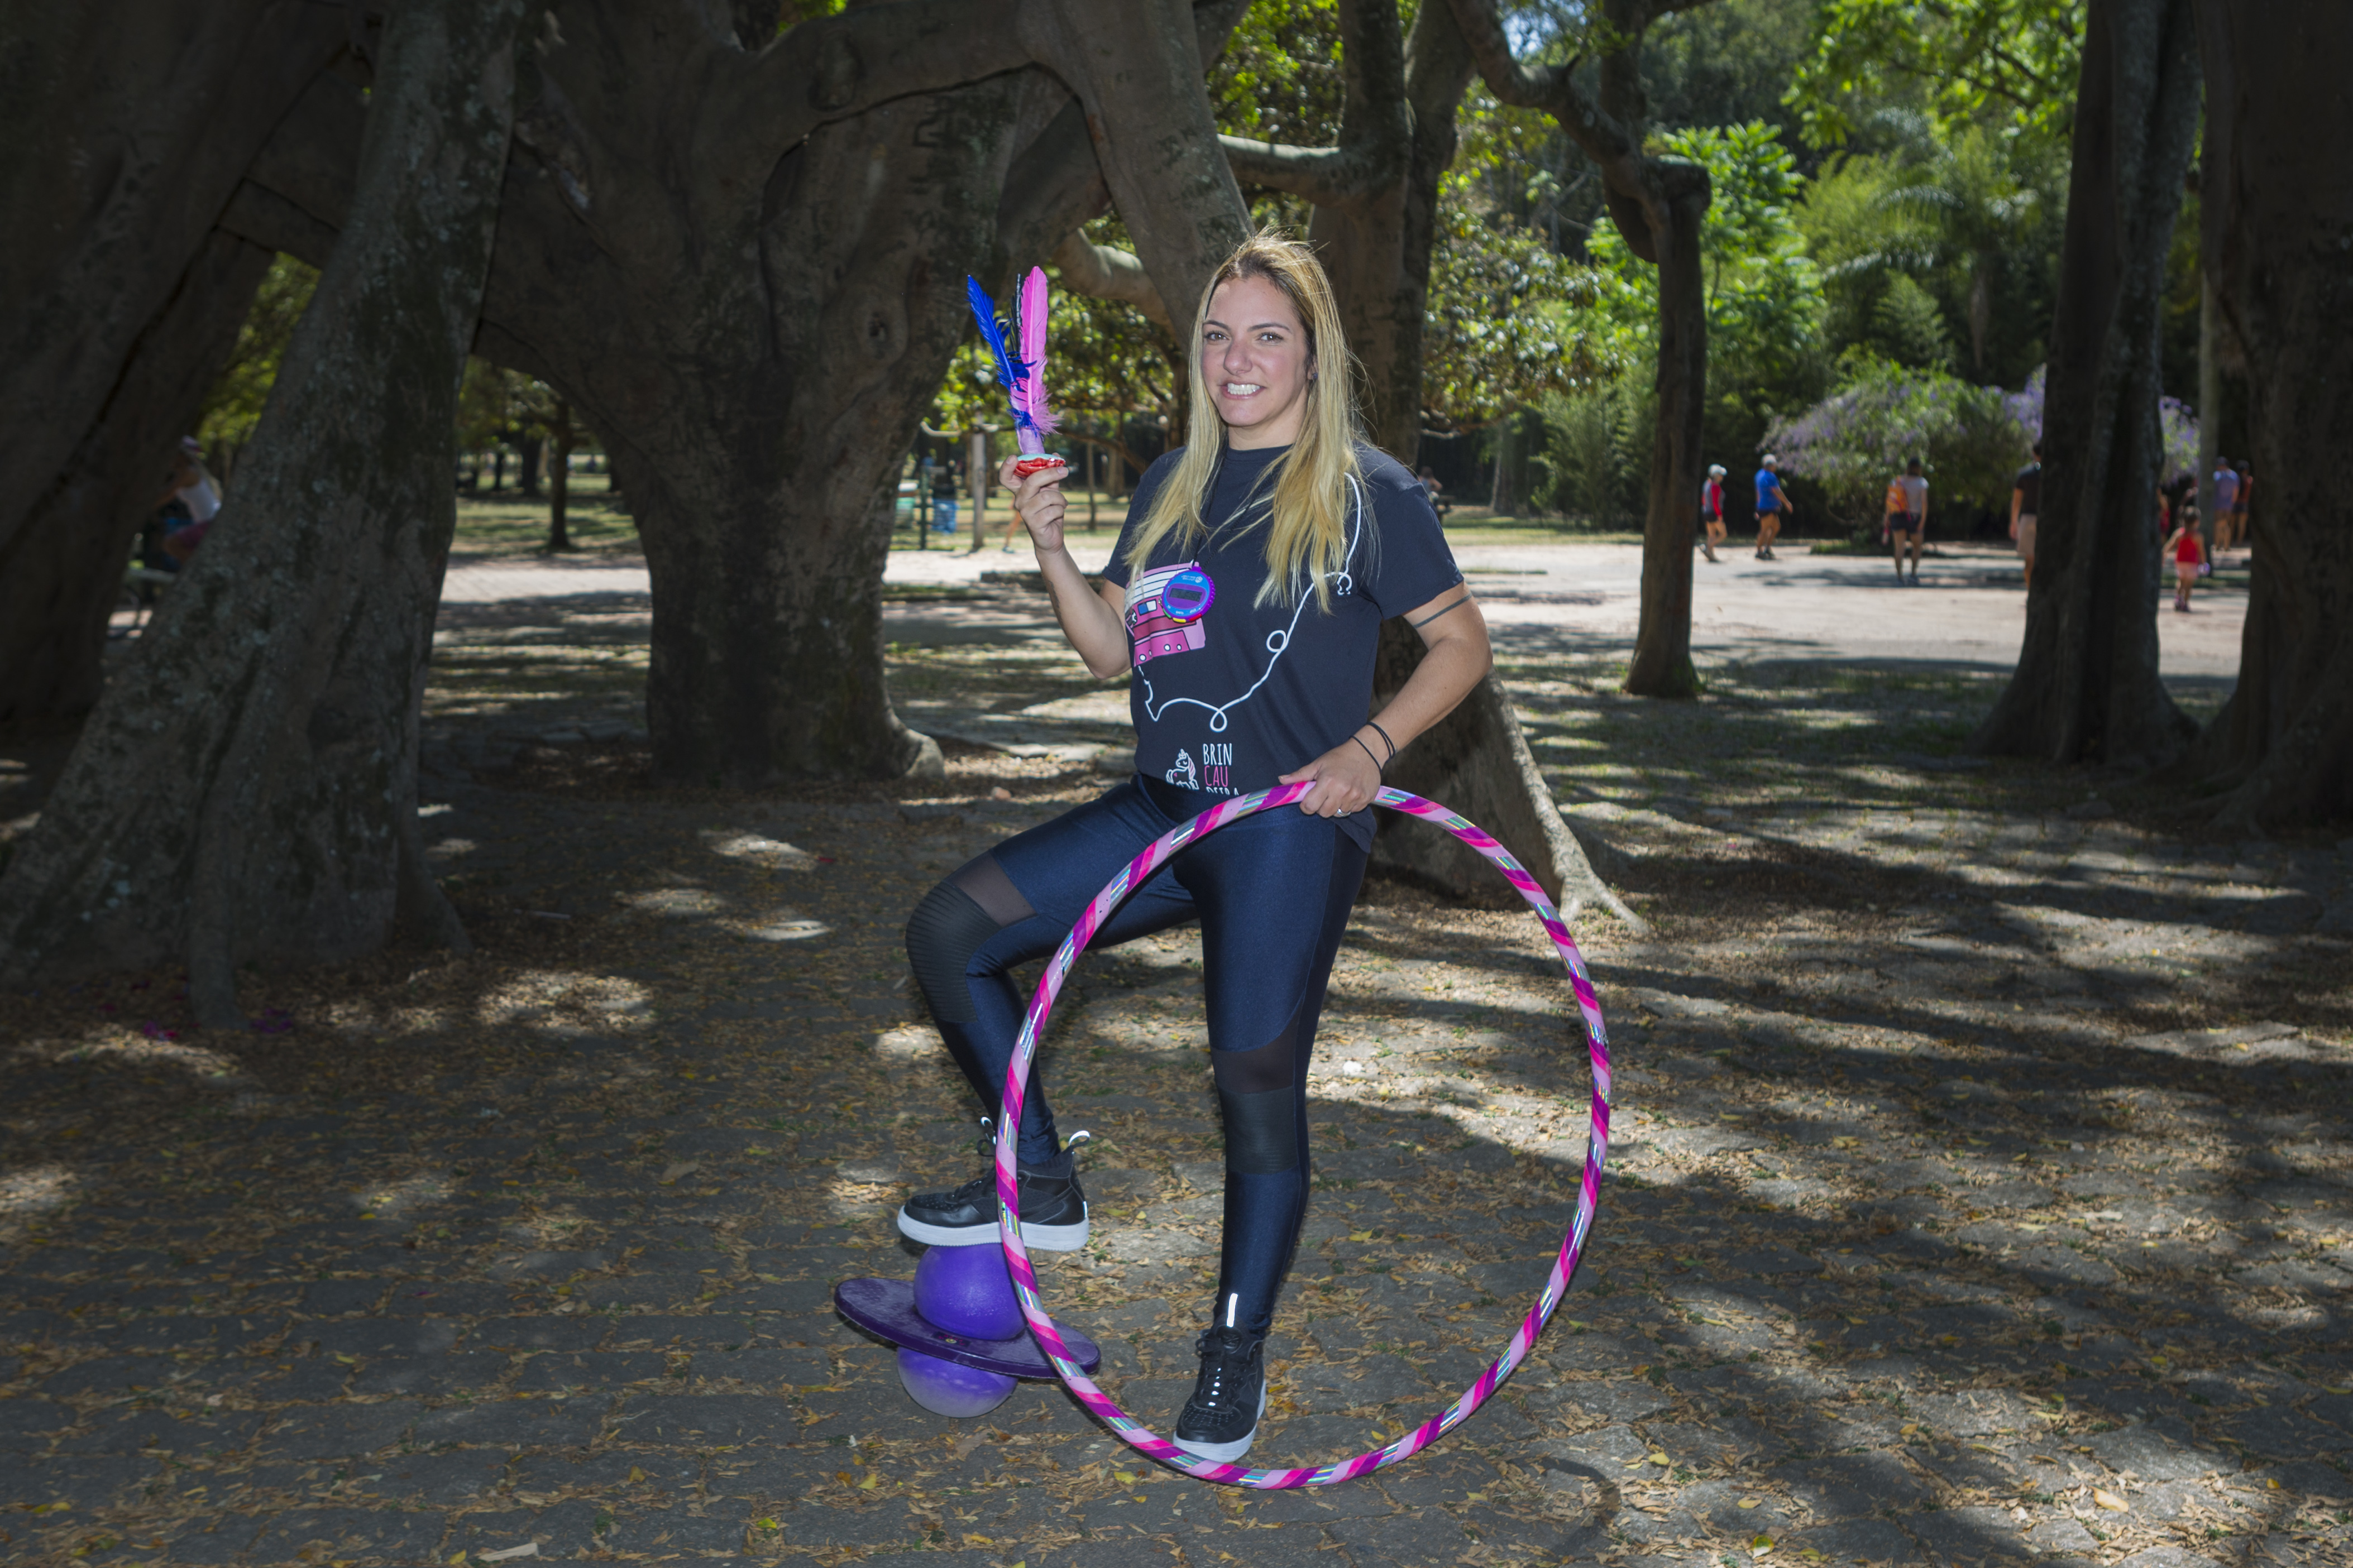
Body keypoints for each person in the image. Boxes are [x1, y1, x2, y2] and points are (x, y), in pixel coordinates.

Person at [898, 234, 1488, 1464]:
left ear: (1312, 354)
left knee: (1250, 1085)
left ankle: (1232, 1352)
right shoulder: (1172, 479)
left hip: (1287, 832)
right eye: (1218, 335)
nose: (1238, 358)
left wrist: (1371, 750)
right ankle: (1042, 1178)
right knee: (950, 932)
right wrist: (1055, 549)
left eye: (1267, 334)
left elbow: (1459, 646)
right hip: (1163, 814)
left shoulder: (1368, 492)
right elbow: (1114, 652)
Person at [158, 437, 222, 563]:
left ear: (182, 456)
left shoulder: (188, 474)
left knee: (171, 544)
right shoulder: (195, 473)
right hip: (211, 521)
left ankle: (200, 569)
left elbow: (166, 496)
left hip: (209, 523)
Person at [1887, 458, 1928, 584]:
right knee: (1917, 547)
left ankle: (1899, 578)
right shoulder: (1922, 483)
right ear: (1919, 468)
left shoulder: (1897, 481)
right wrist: (1923, 521)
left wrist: (1887, 517)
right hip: (1914, 518)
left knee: (1899, 549)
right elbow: (1924, 503)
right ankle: (1913, 574)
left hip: (1898, 516)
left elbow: (1890, 501)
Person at [2010, 441, 2042, 590]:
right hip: (2045, 519)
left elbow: (2017, 501)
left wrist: (2014, 522)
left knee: (2029, 560)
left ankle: (2031, 593)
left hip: (2028, 519)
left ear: (2034, 453)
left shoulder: (2025, 475)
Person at [2165, 505, 2206, 611]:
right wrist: (2204, 562)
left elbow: (2170, 545)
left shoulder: (2179, 534)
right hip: (2192, 564)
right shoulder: (2198, 536)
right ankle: (2186, 603)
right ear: (2197, 521)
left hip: (2180, 562)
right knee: (2189, 585)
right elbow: (2201, 551)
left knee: (2181, 581)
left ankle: (2178, 599)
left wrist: (2164, 553)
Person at [1753, 454, 1787, 559]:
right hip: (1767, 508)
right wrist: (1787, 503)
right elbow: (1777, 491)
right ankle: (1759, 552)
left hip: (1767, 507)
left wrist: (1757, 506)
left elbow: (1758, 492)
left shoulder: (1759, 474)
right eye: (1775, 464)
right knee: (1764, 530)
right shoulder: (1770, 476)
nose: (1776, 466)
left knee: (1776, 527)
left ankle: (1767, 548)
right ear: (1770, 465)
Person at [2209, 459, 2240, 553]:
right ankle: (2226, 546)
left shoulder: (2217, 476)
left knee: (2218, 525)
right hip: (2229, 505)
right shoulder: (2234, 476)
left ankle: (2218, 545)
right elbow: (2236, 491)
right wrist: (2232, 503)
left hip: (2218, 504)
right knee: (2226, 525)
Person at [1698, 464, 1726, 562]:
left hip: (1706, 512)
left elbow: (1703, 499)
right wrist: (1719, 516)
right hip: (1714, 514)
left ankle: (1711, 555)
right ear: (1716, 475)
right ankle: (1707, 547)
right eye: (1721, 474)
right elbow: (1716, 502)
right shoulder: (1715, 486)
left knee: (1712, 535)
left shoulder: (1707, 484)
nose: (1722, 476)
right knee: (1723, 534)